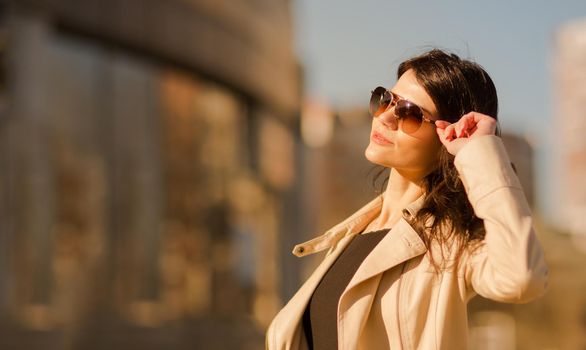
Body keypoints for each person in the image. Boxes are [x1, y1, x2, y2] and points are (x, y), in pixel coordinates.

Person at [266, 49, 548, 350]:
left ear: (448, 136)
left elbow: (521, 276)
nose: (386, 117)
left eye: (411, 114)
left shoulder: (450, 244)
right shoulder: (350, 235)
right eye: (386, 99)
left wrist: (478, 151)